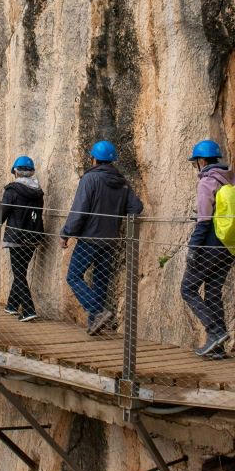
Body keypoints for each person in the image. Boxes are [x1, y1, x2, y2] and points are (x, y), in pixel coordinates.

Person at [60, 140, 144, 335]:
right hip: (110, 240)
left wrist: (66, 234)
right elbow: (136, 207)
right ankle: (95, 325)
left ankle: (97, 312)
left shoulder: (90, 180)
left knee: (73, 276)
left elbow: (79, 210)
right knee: (100, 281)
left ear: (94, 158)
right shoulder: (122, 182)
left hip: (90, 238)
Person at [181, 140, 235, 359]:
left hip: (210, 244)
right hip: (229, 246)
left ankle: (215, 333)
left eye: (196, 161)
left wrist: (193, 248)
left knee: (187, 289)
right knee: (213, 292)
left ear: (202, 161)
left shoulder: (207, 182)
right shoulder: (232, 180)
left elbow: (204, 220)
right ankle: (218, 348)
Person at [1, 156, 45, 322]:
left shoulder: (12, 190)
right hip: (33, 235)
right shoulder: (38, 191)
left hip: (16, 236)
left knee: (18, 273)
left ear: (15, 172)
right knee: (21, 270)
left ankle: (28, 310)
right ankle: (12, 305)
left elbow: (3, 211)